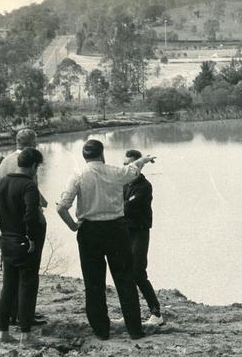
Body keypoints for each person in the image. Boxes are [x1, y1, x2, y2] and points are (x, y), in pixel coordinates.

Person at [56, 139, 156, 340]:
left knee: (94, 282)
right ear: (102, 154)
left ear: (84, 157)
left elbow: (61, 207)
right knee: (125, 279)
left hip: (89, 231)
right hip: (116, 230)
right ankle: (135, 330)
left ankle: (101, 331)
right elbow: (133, 170)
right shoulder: (115, 172)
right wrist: (143, 159)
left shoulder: (78, 175)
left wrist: (74, 226)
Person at [0, 148, 45, 345]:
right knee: (27, 286)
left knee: (8, 287)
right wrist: (31, 237)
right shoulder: (29, 186)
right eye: (37, 167)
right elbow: (31, 214)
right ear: (33, 166)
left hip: (7, 241)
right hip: (25, 242)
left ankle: (4, 333)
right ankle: (26, 335)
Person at [0, 128, 47, 327]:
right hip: (28, 219)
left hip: (8, 221)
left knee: (10, 274)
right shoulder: (29, 161)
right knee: (29, 271)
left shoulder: (4, 161)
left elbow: (2, 186)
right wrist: (41, 204)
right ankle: (25, 315)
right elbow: (30, 187)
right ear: (32, 143)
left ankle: (11, 313)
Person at [123, 150, 163, 326]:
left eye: (131, 164)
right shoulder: (124, 185)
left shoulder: (145, 186)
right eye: (125, 165)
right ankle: (132, 313)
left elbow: (126, 208)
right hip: (126, 232)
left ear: (139, 166)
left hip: (139, 232)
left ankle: (156, 313)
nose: (128, 168)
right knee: (126, 273)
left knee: (138, 272)